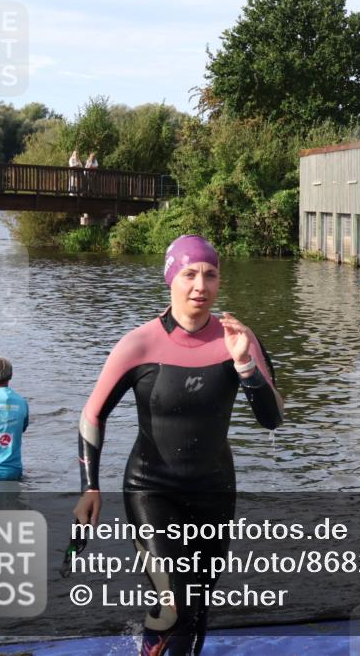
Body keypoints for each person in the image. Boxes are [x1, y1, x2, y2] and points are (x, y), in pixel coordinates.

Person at [73, 235, 283, 655]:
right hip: (152, 489)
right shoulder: (139, 344)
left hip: (214, 491)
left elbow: (272, 419)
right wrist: (90, 487)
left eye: (210, 274)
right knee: (175, 598)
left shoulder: (239, 340)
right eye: (189, 274)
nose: (199, 286)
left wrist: (245, 365)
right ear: (171, 279)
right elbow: (92, 414)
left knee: (198, 602)